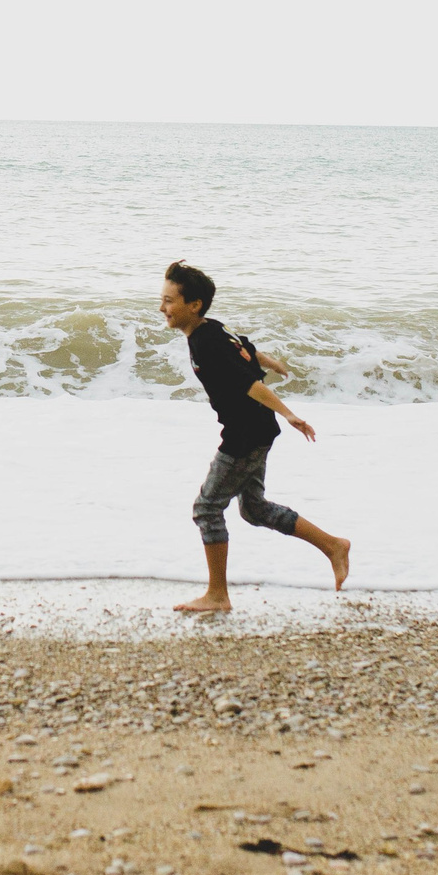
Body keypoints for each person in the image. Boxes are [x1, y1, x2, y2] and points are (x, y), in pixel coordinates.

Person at [160, 260, 349, 614]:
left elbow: (249, 384)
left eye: (170, 301)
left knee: (207, 507)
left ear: (194, 304)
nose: (162, 308)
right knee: (254, 508)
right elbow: (245, 348)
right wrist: (271, 360)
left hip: (245, 434)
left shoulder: (205, 342)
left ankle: (218, 595)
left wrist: (289, 413)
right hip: (256, 430)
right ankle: (333, 546)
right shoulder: (214, 329)